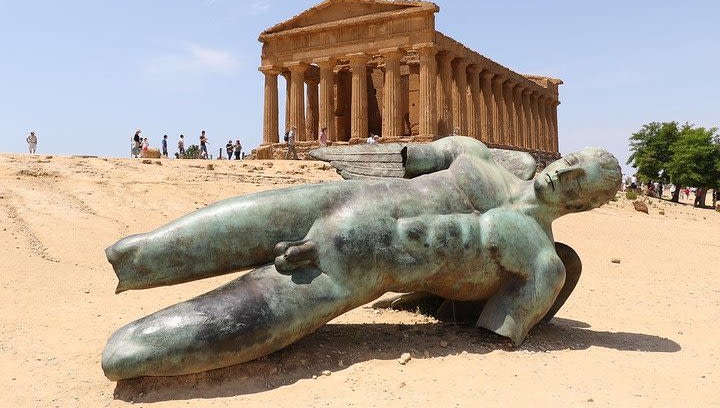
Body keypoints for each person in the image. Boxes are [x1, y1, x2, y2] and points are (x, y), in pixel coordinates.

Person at [102, 137, 621, 380]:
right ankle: (134, 264)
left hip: (351, 267)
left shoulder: (543, 264)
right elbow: (405, 156)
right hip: (332, 200)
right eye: (572, 163)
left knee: (128, 355)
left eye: (581, 184)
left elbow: (496, 328)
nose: (565, 176)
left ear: (591, 206)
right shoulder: (480, 158)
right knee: (143, 252)